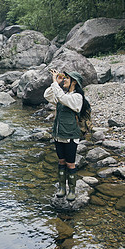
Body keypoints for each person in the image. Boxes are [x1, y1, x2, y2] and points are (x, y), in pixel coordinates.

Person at [43, 70, 87, 201]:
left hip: (70, 135)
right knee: (61, 161)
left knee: (70, 164)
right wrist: (55, 82)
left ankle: (72, 190)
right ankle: (62, 188)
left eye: (67, 78)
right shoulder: (63, 94)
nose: (64, 80)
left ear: (74, 82)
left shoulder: (77, 97)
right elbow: (47, 95)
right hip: (59, 134)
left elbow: (63, 98)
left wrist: (55, 84)